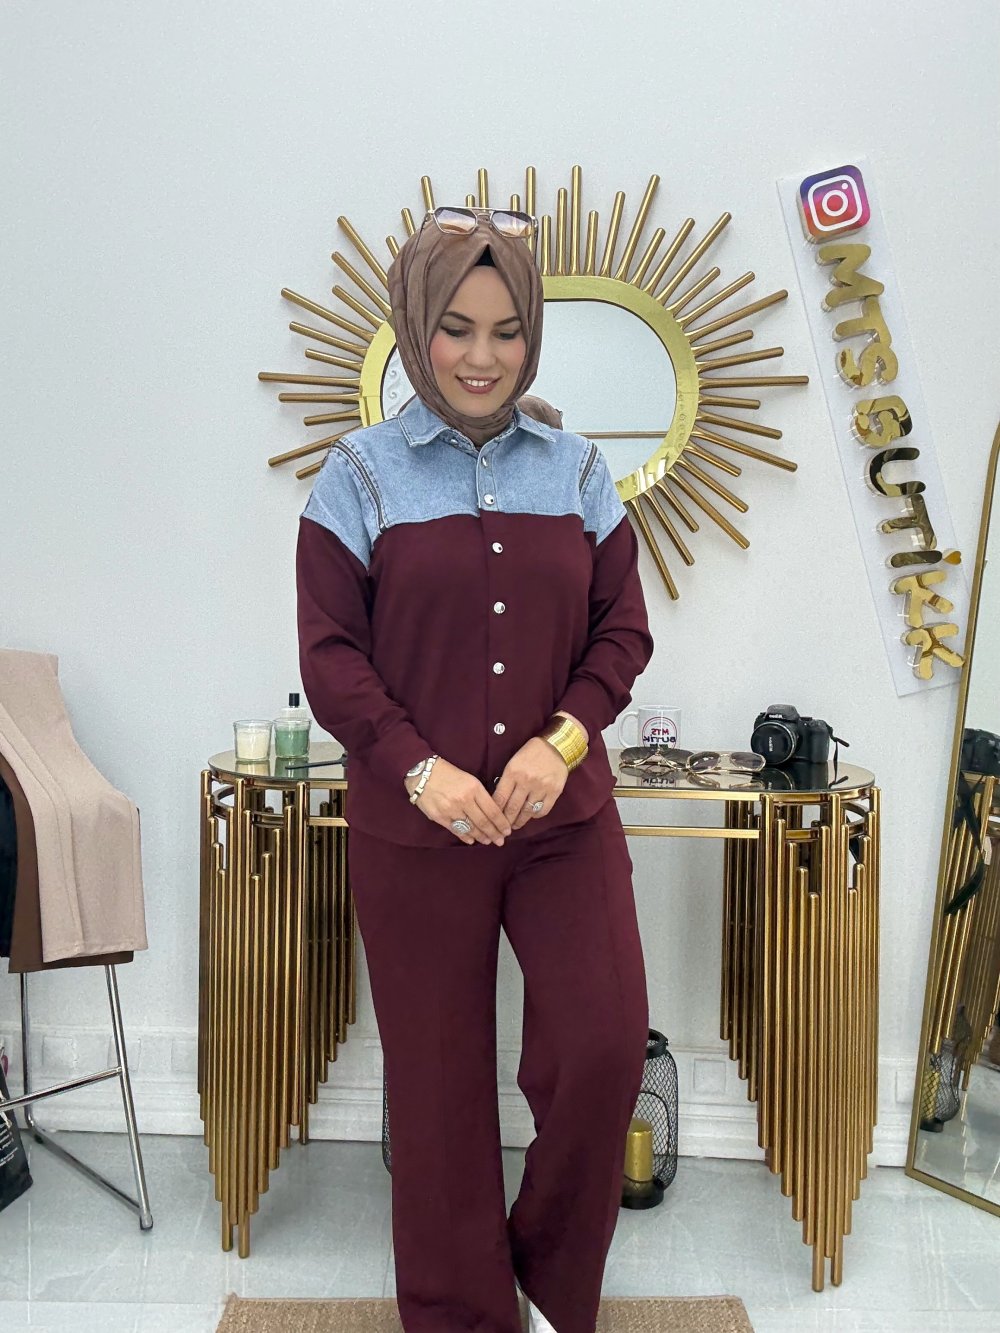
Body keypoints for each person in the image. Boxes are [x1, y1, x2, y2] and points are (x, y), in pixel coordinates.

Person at [296, 206, 654, 1333]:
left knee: (604, 1044)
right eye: (456, 327)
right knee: (440, 1086)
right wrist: (419, 772)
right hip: (416, 831)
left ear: (532, 334)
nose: (483, 356)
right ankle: (462, 1313)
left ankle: (543, 1280)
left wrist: (562, 741)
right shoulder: (356, 477)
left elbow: (622, 632)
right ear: (418, 328)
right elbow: (331, 657)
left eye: (507, 330)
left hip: (562, 821)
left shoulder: (580, 471)